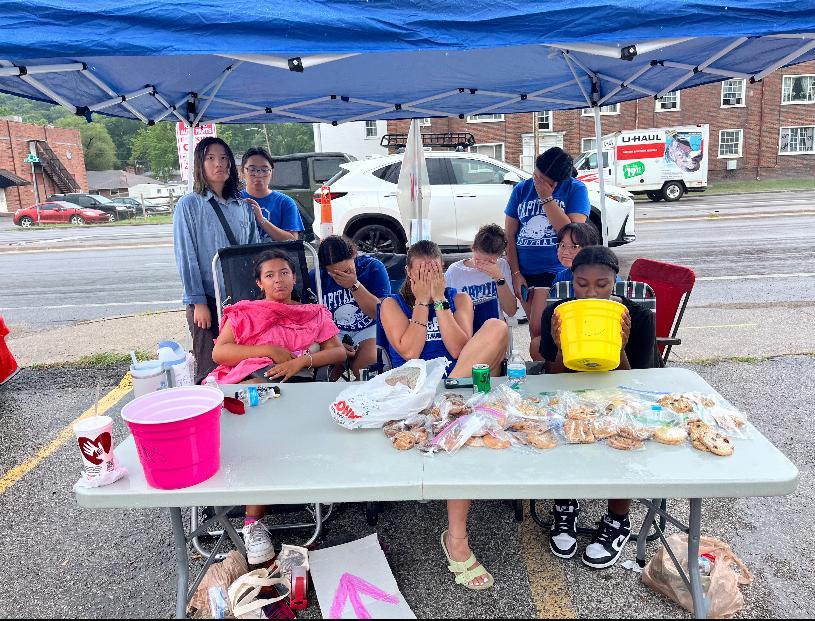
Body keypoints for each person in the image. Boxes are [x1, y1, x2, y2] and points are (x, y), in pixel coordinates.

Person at [380, 240, 508, 591]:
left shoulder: (458, 298)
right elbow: (409, 350)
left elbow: (459, 349)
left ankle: (449, 414)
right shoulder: (391, 303)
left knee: (496, 327)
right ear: (408, 273)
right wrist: (421, 302)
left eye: (434, 271)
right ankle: (457, 541)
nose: (428, 277)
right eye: (421, 272)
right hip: (414, 391)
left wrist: (439, 301)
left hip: (456, 387)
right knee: (457, 426)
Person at [209, 249, 345, 564]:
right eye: (269, 275)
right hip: (251, 386)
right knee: (258, 418)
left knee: (267, 427)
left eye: (284, 272)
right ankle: (253, 523)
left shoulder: (313, 313)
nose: (278, 280)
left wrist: (301, 361)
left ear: (294, 277)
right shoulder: (244, 312)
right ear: (259, 283)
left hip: (296, 389)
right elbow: (220, 353)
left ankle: (252, 521)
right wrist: (268, 349)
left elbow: (338, 353)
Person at [539, 246, 659, 570]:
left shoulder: (638, 317)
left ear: (615, 283)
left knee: (625, 435)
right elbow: (552, 378)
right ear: (572, 282)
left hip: (619, 394)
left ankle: (618, 519)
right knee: (557, 426)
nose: (591, 292)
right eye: (582, 284)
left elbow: (639, 385)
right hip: (570, 393)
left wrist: (619, 347)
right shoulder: (557, 315)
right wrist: (561, 348)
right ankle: (565, 506)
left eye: (602, 285)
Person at [173, 137, 260, 384]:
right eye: (210, 158)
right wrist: (198, 302)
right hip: (208, 301)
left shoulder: (242, 206)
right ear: (200, 164)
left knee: (244, 368)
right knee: (210, 371)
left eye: (223, 158)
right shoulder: (189, 205)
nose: (218, 164)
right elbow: (186, 256)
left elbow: (255, 252)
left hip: (241, 301)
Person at [504, 147, 590, 360]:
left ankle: (553, 368)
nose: (539, 183)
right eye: (537, 177)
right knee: (537, 332)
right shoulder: (521, 190)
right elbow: (509, 236)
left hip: (555, 270)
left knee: (540, 328)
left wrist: (546, 198)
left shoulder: (576, 189)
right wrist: (515, 273)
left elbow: (572, 234)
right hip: (525, 271)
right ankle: (548, 367)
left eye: (546, 181)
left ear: (559, 181)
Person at [310, 235, 391, 379]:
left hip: (368, 328)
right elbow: (310, 320)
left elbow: (381, 314)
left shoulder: (372, 267)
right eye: (335, 274)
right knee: (323, 372)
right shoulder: (315, 277)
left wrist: (354, 285)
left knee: (368, 367)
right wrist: (334, 344)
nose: (341, 276)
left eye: (347, 270)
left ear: (354, 255)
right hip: (333, 332)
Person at [444, 223, 517, 333]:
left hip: (495, 334)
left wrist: (499, 279)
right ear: (473, 247)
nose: (483, 265)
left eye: (490, 262)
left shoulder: (502, 266)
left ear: (499, 257)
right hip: (467, 334)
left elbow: (511, 311)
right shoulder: (454, 271)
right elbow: (446, 312)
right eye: (478, 260)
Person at [240, 147, 304, 242]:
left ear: (271, 172)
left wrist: (261, 220)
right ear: (242, 172)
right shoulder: (234, 200)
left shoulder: (285, 202)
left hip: (276, 252)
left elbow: (292, 240)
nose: (258, 175)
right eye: (252, 169)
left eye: (264, 170)